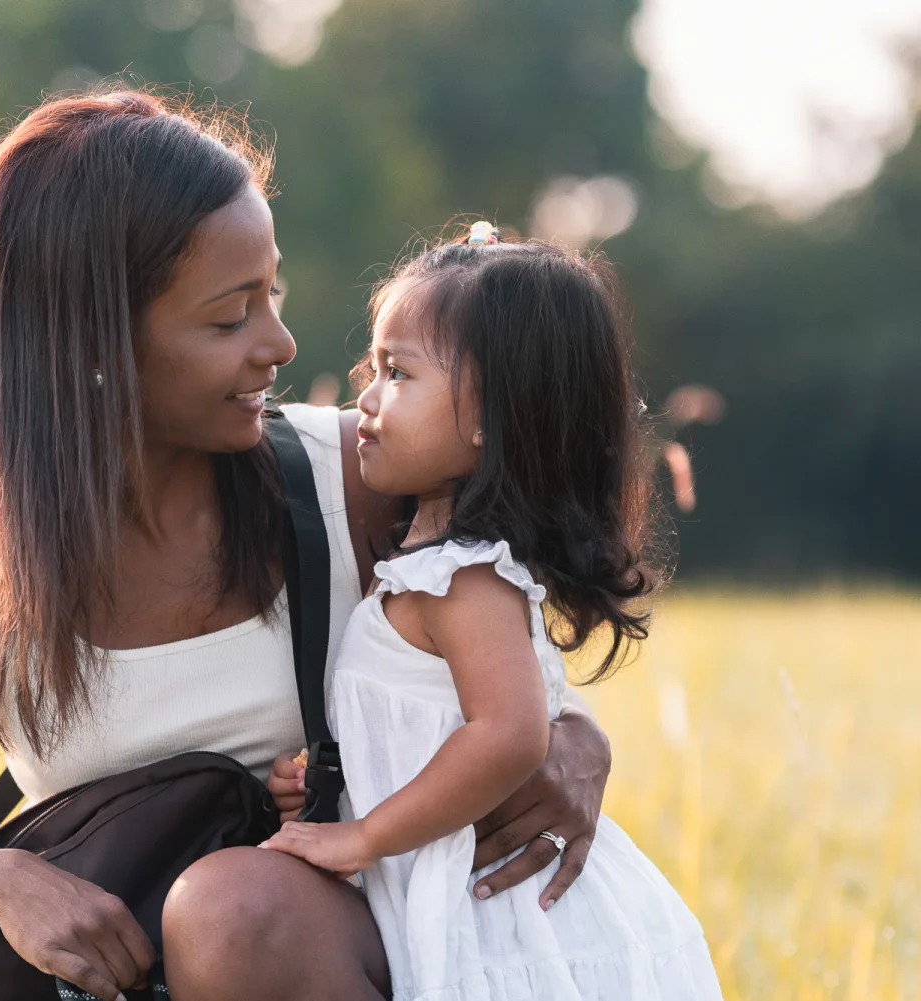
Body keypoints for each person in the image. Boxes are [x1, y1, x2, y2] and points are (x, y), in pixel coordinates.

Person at [0, 91, 614, 1001]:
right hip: (134, 975)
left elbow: (506, 661)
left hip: (378, 950)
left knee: (236, 910)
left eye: (274, 294)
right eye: (230, 318)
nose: (281, 343)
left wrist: (579, 738)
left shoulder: (354, 478)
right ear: (95, 341)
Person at [258, 224, 723, 1000]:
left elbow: (507, 735)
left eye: (399, 373)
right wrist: (328, 788)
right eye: (372, 367)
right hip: (449, 893)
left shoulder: (465, 580)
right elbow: (421, 726)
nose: (365, 397)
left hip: (502, 912)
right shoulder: (430, 567)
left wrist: (362, 836)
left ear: (491, 416)